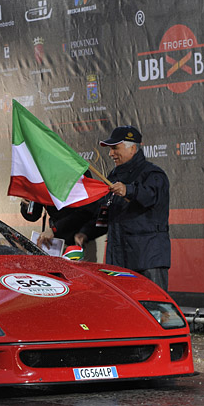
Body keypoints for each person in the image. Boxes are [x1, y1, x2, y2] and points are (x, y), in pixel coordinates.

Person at [75, 125, 171, 291]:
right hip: (118, 262)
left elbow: (150, 196)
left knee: (152, 311)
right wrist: (86, 232)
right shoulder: (113, 176)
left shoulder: (153, 174)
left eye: (115, 148)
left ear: (133, 148)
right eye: (110, 149)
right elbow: (105, 212)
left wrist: (129, 190)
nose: (111, 154)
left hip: (147, 260)